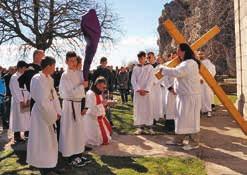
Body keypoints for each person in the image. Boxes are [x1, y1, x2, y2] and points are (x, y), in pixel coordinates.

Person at [158, 43, 201, 150]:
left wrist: (163, 69)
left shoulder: (190, 63)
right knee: (181, 119)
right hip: (183, 97)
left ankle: (194, 142)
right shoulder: (185, 63)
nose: (177, 53)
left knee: (190, 120)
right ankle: (179, 140)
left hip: (190, 97)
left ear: (184, 51)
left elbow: (177, 72)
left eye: (178, 50)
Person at [27, 56, 62, 175]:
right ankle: (44, 168)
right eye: (54, 65)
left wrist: (58, 111)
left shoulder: (49, 79)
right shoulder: (37, 79)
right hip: (41, 115)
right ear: (48, 66)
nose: (55, 68)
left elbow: (54, 96)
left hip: (50, 113)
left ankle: (51, 164)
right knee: (43, 141)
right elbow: (42, 101)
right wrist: (52, 115)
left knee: (51, 141)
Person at [59, 51, 90, 167]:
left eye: (75, 60)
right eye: (70, 61)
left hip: (78, 106)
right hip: (69, 107)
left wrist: (84, 106)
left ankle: (78, 154)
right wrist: (82, 86)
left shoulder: (80, 73)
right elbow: (67, 93)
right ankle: (70, 156)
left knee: (78, 131)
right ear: (66, 62)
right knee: (70, 131)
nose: (73, 63)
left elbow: (84, 93)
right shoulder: (64, 75)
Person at [84, 76, 112, 146]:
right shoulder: (91, 94)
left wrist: (105, 104)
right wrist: (102, 104)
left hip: (98, 116)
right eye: (103, 87)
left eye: (104, 88)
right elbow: (90, 109)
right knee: (101, 140)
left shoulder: (98, 92)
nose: (103, 90)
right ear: (98, 85)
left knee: (107, 135)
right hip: (92, 119)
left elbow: (100, 104)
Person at [131, 51, 154, 134]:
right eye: (139, 58)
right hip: (138, 92)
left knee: (148, 108)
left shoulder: (150, 67)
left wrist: (146, 89)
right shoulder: (135, 68)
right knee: (139, 109)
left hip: (147, 92)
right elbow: (133, 80)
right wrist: (138, 89)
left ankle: (149, 127)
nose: (140, 60)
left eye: (142, 58)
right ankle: (140, 127)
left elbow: (151, 79)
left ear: (145, 58)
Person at [9, 61, 30, 142]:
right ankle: (17, 135)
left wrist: (28, 98)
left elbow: (28, 87)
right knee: (18, 118)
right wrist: (21, 100)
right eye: (24, 68)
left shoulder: (25, 76)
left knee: (27, 117)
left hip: (26, 98)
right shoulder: (14, 77)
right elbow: (15, 90)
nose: (25, 69)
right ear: (20, 68)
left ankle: (26, 132)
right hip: (18, 101)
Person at [92, 57, 114, 126]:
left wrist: (111, 91)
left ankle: (110, 121)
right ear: (100, 62)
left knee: (107, 105)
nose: (104, 64)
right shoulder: (97, 71)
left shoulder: (108, 71)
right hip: (98, 91)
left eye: (105, 62)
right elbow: (94, 81)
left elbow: (111, 82)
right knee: (99, 105)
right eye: (103, 62)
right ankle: (100, 120)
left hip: (106, 90)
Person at [198, 51, 216, 117]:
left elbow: (211, 70)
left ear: (204, 55)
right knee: (199, 96)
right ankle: (201, 110)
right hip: (198, 82)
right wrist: (199, 78)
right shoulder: (196, 62)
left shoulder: (208, 62)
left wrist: (203, 78)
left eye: (201, 54)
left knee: (207, 95)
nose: (200, 55)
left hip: (206, 82)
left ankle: (209, 110)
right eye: (199, 54)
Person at [148, 52, 163, 125]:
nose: (149, 59)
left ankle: (155, 118)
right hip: (148, 88)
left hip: (156, 87)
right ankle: (149, 118)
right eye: (148, 57)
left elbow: (161, 76)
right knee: (149, 103)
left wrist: (155, 81)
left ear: (154, 57)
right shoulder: (146, 67)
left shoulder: (159, 66)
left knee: (156, 102)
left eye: (150, 57)